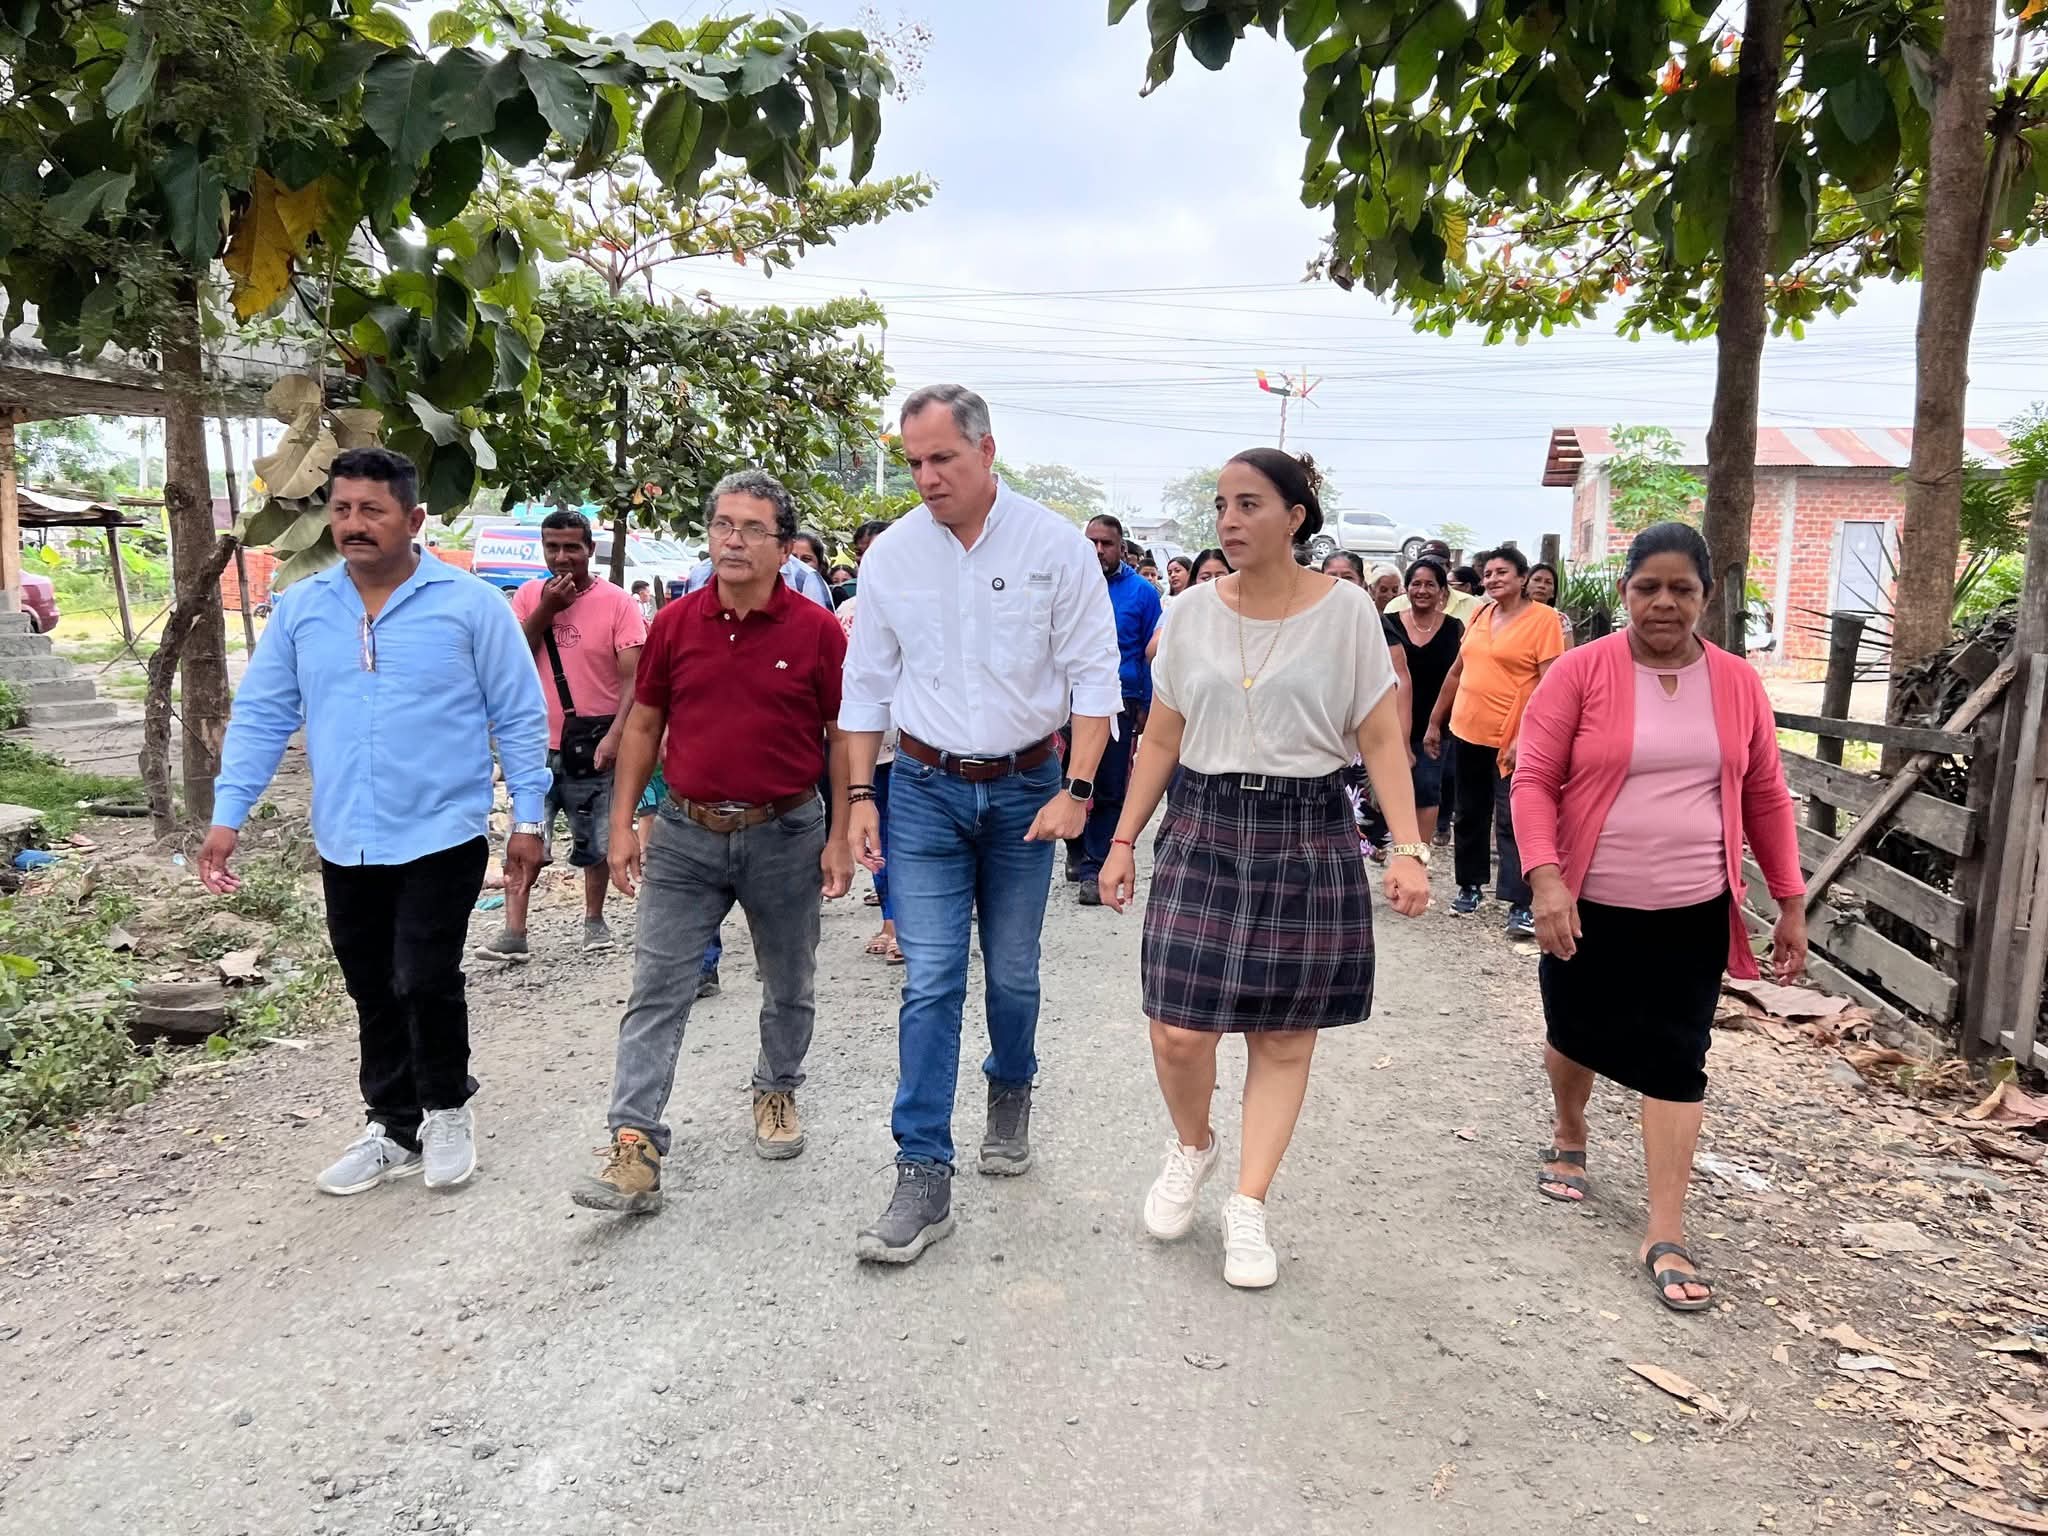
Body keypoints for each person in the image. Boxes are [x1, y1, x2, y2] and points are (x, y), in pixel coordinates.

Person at [1096, 448, 1429, 1289]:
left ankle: (1249, 1203)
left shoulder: (1348, 613)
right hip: (1204, 822)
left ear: (1296, 516)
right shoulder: (1190, 613)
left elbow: (1379, 736)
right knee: (1178, 1029)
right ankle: (1193, 1146)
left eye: (1249, 504)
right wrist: (1124, 839)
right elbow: (1161, 737)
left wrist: (1408, 847)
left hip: (1307, 826)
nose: (1229, 520)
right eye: (1221, 505)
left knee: (1282, 1036)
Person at [201, 446, 549, 1195]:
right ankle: (392, 1125)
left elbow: (520, 717)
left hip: (442, 830)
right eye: (342, 510)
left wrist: (529, 818)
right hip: (346, 836)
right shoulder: (303, 609)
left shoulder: (470, 606)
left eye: (372, 510)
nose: (354, 524)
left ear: (413, 519)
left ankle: (446, 1109)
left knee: (423, 976)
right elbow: (263, 716)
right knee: (370, 983)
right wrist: (229, 814)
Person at [839, 384, 1120, 1265]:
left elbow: (1095, 676)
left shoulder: (1053, 546)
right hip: (923, 789)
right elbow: (864, 689)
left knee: (1013, 970)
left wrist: (1077, 790)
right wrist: (858, 798)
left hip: (1027, 790)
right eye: (914, 462)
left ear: (987, 451)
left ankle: (1011, 1088)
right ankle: (922, 1169)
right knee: (930, 978)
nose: (926, 477)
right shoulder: (893, 556)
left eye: (943, 459)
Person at [1513, 522, 1807, 1312]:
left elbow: (1765, 793)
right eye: (1649, 587)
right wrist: (1546, 880)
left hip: (1694, 907)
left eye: (1682, 588)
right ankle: (1570, 1131)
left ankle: (1665, 1230)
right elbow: (1534, 780)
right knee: (1574, 1030)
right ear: (1625, 593)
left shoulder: (1737, 683)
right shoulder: (1580, 672)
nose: (1665, 603)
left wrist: (1789, 900)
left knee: (1680, 1055)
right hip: (1587, 901)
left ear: (1707, 596)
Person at [572, 470, 854, 1212]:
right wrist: (623, 822)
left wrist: (842, 832)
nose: (734, 540)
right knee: (657, 987)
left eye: (753, 528)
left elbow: (840, 734)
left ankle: (776, 1089)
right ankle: (634, 1142)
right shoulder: (675, 623)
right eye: (723, 524)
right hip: (685, 835)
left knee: (788, 981)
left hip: (786, 832)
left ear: (784, 547)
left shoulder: (816, 630)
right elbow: (644, 724)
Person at [478, 509, 645, 962]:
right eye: (552, 547)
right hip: (533, 745)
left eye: (572, 547)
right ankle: (514, 931)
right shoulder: (529, 596)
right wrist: (547, 609)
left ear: (590, 549)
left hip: (593, 742)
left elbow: (634, 679)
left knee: (594, 839)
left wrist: (616, 736)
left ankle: (594, 921)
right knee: (524, 834)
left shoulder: (618, 603)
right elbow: (512, 658)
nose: (562, 557)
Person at [1424, 545, 1563, 939]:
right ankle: (1469, 886)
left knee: (1514, 817)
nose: (1492, 579)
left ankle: (1520, 904)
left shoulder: (1544, 620)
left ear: (1522, 578)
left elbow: (1551, 685)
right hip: (1467, 730)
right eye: (1487, 574)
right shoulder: (1481, 614)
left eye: (1502, 572)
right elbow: (1457, 672)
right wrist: (1435, 721)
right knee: (1468, 812)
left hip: (1514, 737)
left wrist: (1526, 736)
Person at [1068, 513, 1164, 906]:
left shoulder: (1142, 592)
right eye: (1091, 542)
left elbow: (1152, 654)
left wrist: (1146, 705)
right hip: (1067, 703)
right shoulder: (1068, 584)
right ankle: (1075, 850)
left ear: (1121, 548)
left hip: (1118, 702)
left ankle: (1093, 867)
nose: (1097, 550)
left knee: (1108, 788)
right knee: (1066, 782)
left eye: (1106, 543)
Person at [1391, 558, 1464, 846]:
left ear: (1442, 591)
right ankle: (1390, 845)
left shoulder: (1455, 628)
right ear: (1406, 588)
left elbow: (1462, 674)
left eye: (1430, 585)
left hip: (1436, 724)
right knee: (1391, 788)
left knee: (1427, 788)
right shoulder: (1389, 624)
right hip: (1393, 720)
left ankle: (1418, 855)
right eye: (1416, 584)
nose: (1422, 590)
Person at [1388, 539, 1484, 622]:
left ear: (1449, 566)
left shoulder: (1473, 606)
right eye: (1425, 564)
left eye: (1437, 564)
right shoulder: (1396, 606)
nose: (1431, 570)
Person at [1526, 561, 1575, 648]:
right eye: (1537, 580)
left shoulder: (1560, 620)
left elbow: (1569, 653)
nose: (1542, 585)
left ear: (1553, 593)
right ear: (1525, 584)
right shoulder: (1512, 615)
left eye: (1548, 582)